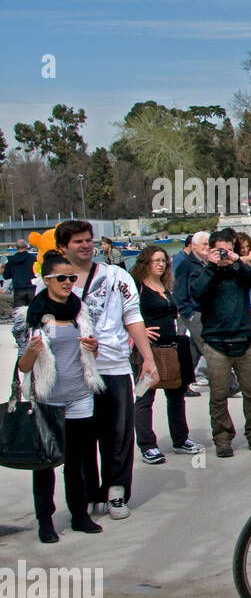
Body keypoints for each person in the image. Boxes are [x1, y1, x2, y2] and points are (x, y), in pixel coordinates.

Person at [53, 220, 157, 520]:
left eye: (89, 240)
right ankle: (88, 494)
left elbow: (133, 317)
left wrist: (147, 357)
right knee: (81, 437)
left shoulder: (116, 276)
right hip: (73, 371)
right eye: (77, 242)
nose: (86, 245)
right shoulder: (52, 282)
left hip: (112, 365)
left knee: (118, 434)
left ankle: (116, 491)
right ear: (63, 247)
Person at [16, 251, 105, 542]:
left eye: (72, 278)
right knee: (45, 464)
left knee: (77, 461)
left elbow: (91, 353)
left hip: (79, 395)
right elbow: (23, 368)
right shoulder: (32, 316)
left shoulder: (80, 311)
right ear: (46, 281)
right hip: (47, 399)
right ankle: (45, 521)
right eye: (61, 278)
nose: (68, 283)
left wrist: (93, 348)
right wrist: (31, 351)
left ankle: (79, 515)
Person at [190, 228, 251, 458]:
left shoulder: (240, 271)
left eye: (228, 250)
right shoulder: (202, 271)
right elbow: (195, 294)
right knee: (218, 395)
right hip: (216, 342)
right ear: (210, 250)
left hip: (244, 339)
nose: (224, 254)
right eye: (219, 250)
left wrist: (238, 263)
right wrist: (212, 267)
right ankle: (223, 438)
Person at [129, 246, 200, 464]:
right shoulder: (136, 286)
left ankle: (180, 439)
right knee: (143, 396)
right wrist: (139, 332)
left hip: (171, 348)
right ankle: (147, 445)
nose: (161, 264)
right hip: (146, 351)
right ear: (145, 263)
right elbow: (123, 314)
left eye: (163, 261)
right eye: (156, 261)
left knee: (177, 395)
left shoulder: (164, 285)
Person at [174, 230, 209, 384]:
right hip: (194, 313)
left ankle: (183, 380)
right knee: (208, 348)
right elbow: (179, 291)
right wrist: (188, 313)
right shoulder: (186, 265)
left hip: (204, 311)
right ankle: (229, 383)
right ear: (194, 246)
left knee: (193, 351)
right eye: (204, 244)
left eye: (209, 244)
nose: (208, 247)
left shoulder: (205, 263)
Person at [3, 240, 37, 310]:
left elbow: (6, 276)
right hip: (32, 289)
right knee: (32, 312)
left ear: (16, 247)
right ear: (26, 247)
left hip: (18, 290)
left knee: (19, 314)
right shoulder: (33, 259)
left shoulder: (11, 260)